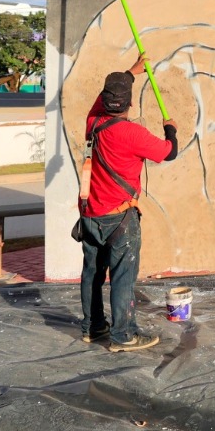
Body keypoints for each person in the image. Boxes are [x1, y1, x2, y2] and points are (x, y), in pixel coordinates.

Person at [77, 53, 180, 351]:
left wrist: (129, 73)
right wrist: (170, 127)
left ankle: (93, 328)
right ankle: (124, 336)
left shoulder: (93, 120)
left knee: (93, 273)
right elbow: (168, 152)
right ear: (130, 104)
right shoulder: (132, 133)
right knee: (122, 276)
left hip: (90, 212)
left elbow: (104, 97)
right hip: (119, 217)